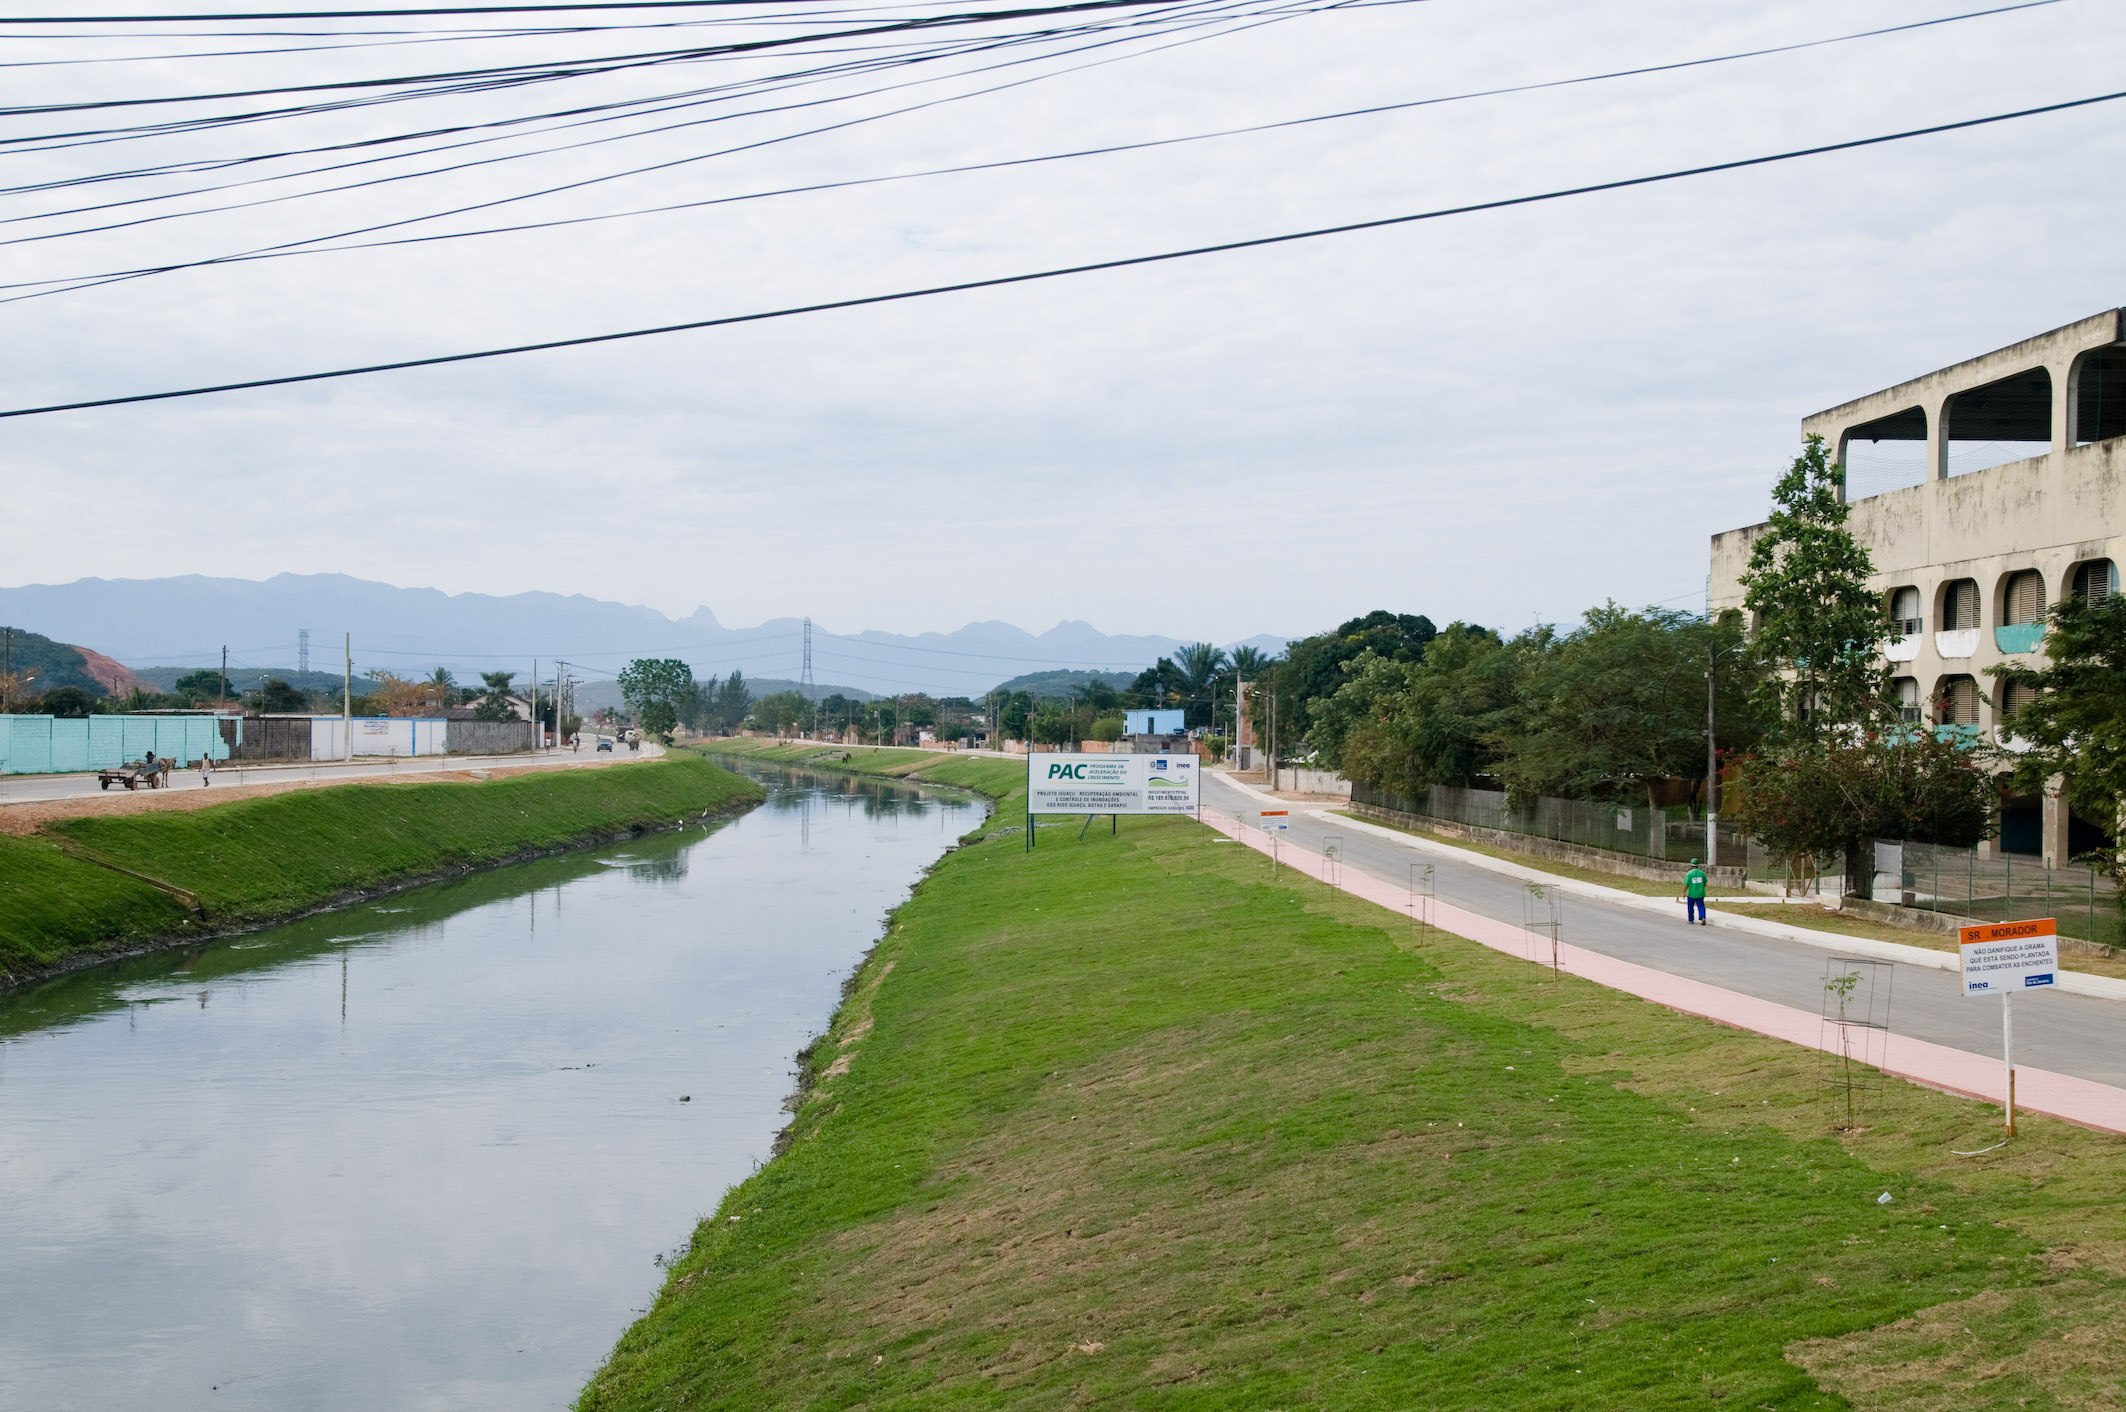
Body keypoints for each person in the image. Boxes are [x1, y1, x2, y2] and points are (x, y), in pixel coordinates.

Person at [1683, 858, 1709, 925]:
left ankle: (1691, 920)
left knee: (1690, 907)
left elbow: (1686, 884)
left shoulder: (1689, 874)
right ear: (1698, 865)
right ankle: (1702, 917)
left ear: (1691, 865)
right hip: (1700, 893)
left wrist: (1684, 892)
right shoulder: (1702, 873)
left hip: (1691, 893)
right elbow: (1705, 883)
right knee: (1701, 905)